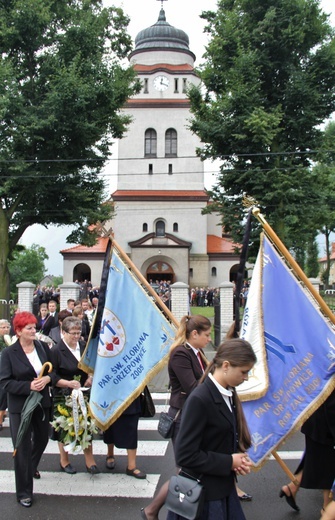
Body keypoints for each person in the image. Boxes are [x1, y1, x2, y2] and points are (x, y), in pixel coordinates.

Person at [166, 338, 256, 520]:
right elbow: (185, 455)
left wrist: (237, 460)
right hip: (204, 496)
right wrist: (229, 462)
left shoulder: (228, 392)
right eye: (244, 372)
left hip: (222, 488)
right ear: (226, 365)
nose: (246, 378)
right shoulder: (200, 399)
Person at [141, 314, 212, 520]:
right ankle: (152, 510)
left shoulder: (196, 352)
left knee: (191, 471)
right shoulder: (181, 353)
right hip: (183, 418)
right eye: (206, 335)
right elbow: (192, 387)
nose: (209, 339)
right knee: (186, 472)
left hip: (194, 416)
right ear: (194, 333)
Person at [0, 311, 58, 507]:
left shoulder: (41, 347)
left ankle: (29, 468)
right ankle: (24, 492)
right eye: (29, 328)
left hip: (41, 404)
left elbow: (53, 371)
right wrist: (28, 386)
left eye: (34, 327)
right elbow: (5, 383)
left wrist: (48, 378)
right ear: (18, 331)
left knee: (42, 439)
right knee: (22, 448)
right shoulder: (8, 353)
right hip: (20, 407)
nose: (34, 330)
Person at [50, 316, 100, 475]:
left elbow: (92, 364)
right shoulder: (56, 351)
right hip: (64, 395)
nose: (77, 336)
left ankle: (89, 460)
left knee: (86, 425)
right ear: (63, 332)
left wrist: (91, 377)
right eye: (73, 333)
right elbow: (51, 376)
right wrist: (68, 383)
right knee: (64, 426)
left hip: (84, 394)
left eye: (79, 332)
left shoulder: (84, 346)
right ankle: (64, 460)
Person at [280, 389, 335, 514]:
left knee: (317, 460)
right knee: (327, 464)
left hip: (317, 416)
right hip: (325, 421)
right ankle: (327, 509)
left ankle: (292, 488)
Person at [103, 394, 146, 479]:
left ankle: (131, 466)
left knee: (131, 426)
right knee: (110, 426)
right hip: (110, 394)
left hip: (130, 393)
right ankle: (110, 454)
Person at [0, 319, 11, 430]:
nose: (5, 329)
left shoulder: (11, 340)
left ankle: (1, 417)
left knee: (3, 395)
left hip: (6, 372)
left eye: (7, 327)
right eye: (3, 327)